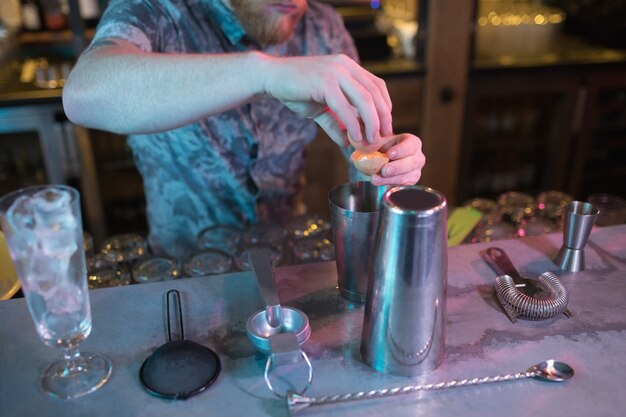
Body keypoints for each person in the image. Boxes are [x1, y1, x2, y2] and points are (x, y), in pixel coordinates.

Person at [62, 0, 426, 258]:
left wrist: (391, 162)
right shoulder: (158, 10)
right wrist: (263, 73)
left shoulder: (323, 26)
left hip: (289, 260)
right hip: (185, 268)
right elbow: (83, 95)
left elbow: (360, 147)